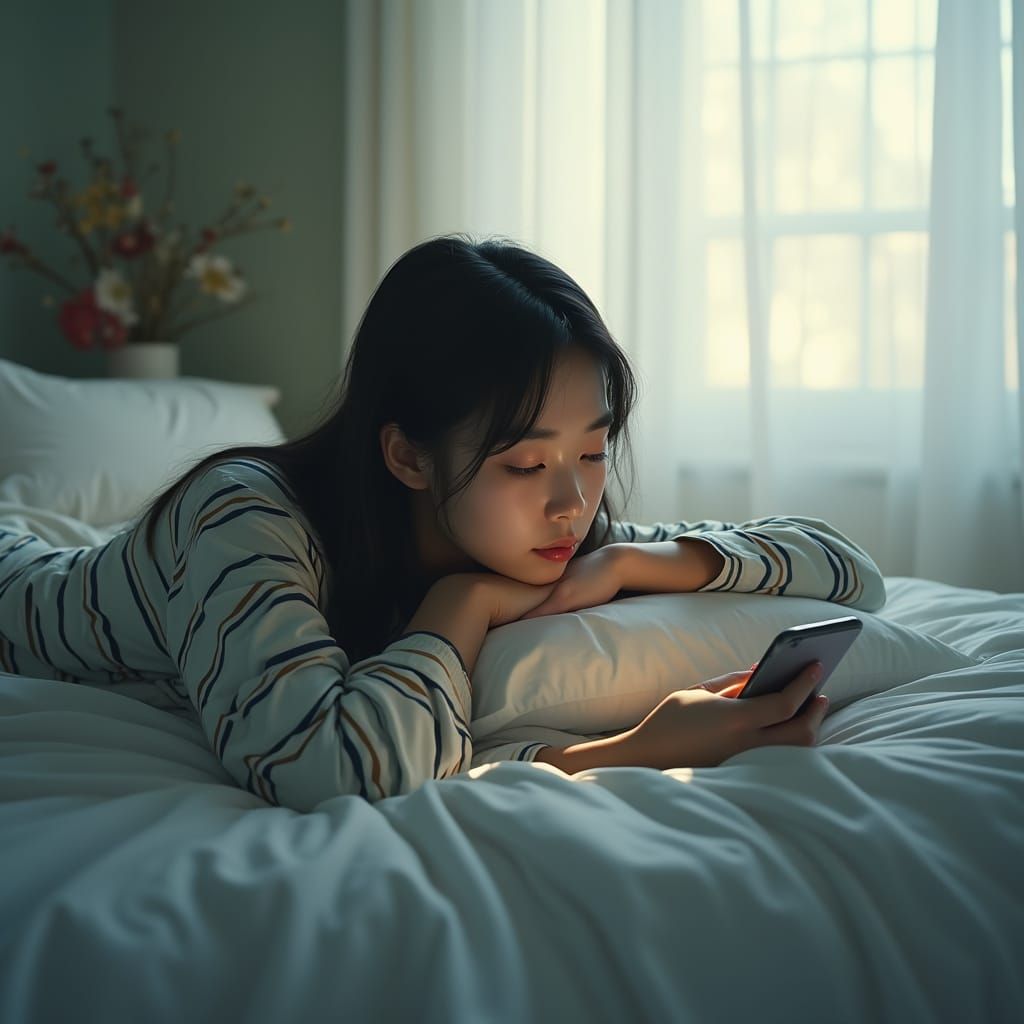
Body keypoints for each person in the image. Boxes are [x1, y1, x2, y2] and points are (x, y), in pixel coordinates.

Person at [0, 233, 886, 812]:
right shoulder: (244, 514)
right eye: (527, 462)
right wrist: (461, 605)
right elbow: (329, 768)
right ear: (406, 456)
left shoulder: (545, 524)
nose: (573, 503)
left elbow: (849, 570)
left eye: (592, 450)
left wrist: (635, 574)